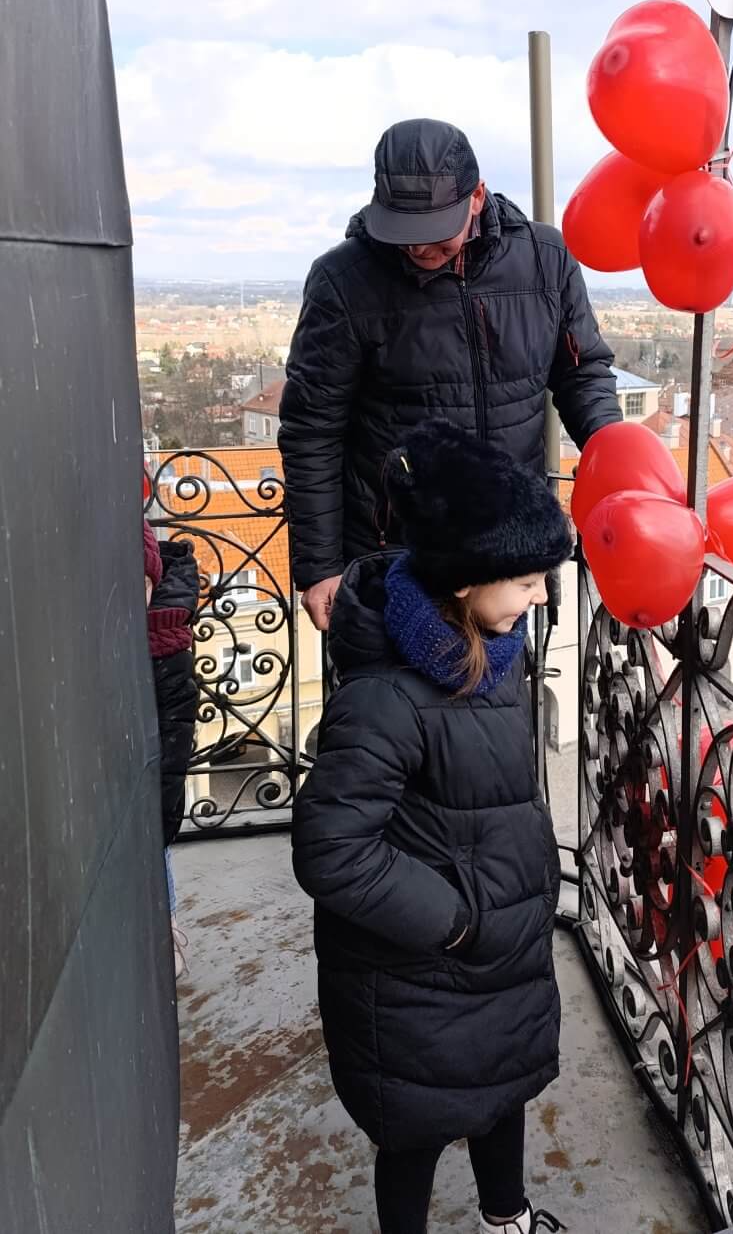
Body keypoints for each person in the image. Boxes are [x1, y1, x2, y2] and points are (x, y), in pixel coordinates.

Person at [292, 422, 573, 1234]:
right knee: (416, 1128)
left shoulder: (494, 655)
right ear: (466, 583)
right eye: (528, 582)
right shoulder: (387, 698)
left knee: (502, 1090)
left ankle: (506, 1216)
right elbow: (333, 849)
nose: (542, 598)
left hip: (498, 949)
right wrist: (454, 921)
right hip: (421, 967)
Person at [279, 119, 621, 631]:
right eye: (406, 236)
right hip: (394, 558)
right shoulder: (343, 281)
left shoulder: (545, 259)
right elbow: (312, 429)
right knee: (388, 685)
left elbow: (583, 376)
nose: (420, 251)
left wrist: (618, 465)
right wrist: (320, 568)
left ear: (476, 197)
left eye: (437, 236)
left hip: (505, 554)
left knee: (501, 684)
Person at [143, 518, 202, 979]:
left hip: (154, 779)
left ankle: (165, 922)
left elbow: (175, 732)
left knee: (152, 837)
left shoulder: (165, 635)